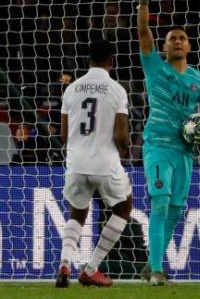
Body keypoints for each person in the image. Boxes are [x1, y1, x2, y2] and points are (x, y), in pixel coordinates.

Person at [135, 0, 200, 286]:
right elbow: (144, 32)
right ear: (165, 46)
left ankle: (150, 264)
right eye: (172, 38)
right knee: (159, 203)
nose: (177, 41)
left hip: (185, 152)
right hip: (158, 145)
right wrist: (143, 1)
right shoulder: (154, 67)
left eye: (182, 38)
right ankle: (158, 271)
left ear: (189, 46)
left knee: (175, 209)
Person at [55, 40, 132, 288]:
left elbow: (64, 135)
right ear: (112, 61)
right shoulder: (117, 90)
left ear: (88, 61)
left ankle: (65, 262)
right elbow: (121, 135)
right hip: (105, 162)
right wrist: (125, 150)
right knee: (123, 209)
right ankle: (91, 268)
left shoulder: (72, 89)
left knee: (77, 213)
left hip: (76, 162)